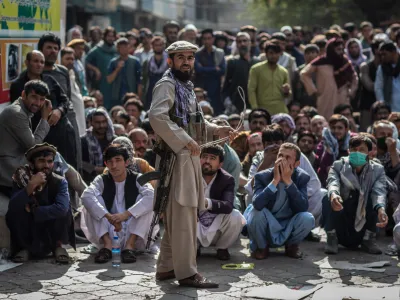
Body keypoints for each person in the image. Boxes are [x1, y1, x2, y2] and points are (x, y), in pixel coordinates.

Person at [149, 41, 235, 288]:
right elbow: (156, 117)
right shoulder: (166, 85)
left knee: (179, 216)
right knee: (184, 216)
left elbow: (195, 124)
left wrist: (216, 128)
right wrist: (186, 141)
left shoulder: (185, 87)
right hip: (176, 159)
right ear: (170, 61)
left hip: (188, 158)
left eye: (190, 57)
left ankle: (166, 268)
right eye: (181, 58)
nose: (187, 62)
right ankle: (187, 273)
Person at [80, 144, 156, 263]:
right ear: (106, 164)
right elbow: (86, 196)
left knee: (147, 202)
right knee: (90, 201)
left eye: (118, 160)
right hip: (109, 228)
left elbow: (152, 197)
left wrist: (125, 215)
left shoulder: (137, 178)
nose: (114, 166)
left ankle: (129, 247)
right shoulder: (101, 179)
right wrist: (109, 217)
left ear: (126, 162)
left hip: (133, 228)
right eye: (110, 162)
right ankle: (107, 245)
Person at [6, 143, 75, 263]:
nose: (46, 165)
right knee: (16, 211)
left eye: (50, 161)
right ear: (32, 164)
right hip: (30, 228)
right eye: (41, 161)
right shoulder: (22, 179)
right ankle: (25, 248)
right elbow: (13, 207)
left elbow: (61, 209)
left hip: (50, 226)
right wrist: (30, 187)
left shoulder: (60, 182)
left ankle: (58, 246)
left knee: (66, 207)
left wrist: (34, 211)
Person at [244, 143, 314, 259]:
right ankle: (262, 247)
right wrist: (275, 181)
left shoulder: (302, 177)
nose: (282, 160)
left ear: (297, 164)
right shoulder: (262, 176)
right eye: (280, 156)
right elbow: (257, 203)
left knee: (307, 218)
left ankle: (292, 246)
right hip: (267, 221)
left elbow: (302, 207)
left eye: (288, 158)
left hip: (288, 222)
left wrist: (288, 182)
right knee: (255, 213)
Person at [9, 50, 77, 168]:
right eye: (36, 61)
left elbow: (65, 100)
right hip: (36, 136)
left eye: (42, 62)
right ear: (27, 62)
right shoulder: (18, 85)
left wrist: (58, 111)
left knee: (66, 171)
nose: (39, 64)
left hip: (60, 133)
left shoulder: (50, 80)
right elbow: (19, 113)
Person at [323, 135, 388, 254]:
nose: (357, 152)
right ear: (349, 151)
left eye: (362, 149)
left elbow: (379, 191)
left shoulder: (377, 170)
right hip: (342, 217)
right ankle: (332, 238)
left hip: (363, 222)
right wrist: (334, 195)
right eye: (354, 149)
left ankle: (368, 239)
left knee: (375, 200)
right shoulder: (338, 165)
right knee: (327, 197)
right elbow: (333, 181)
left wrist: (381, 209)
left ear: (369, 152)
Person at [0, 81, 52, 197]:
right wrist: (44, 118)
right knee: (54, 163)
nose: (38, 103)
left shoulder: (23, 110)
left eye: (42, 99)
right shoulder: (16, 113)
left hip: (17, 162)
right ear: (23, 95)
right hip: (8, 170)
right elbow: (34, 147)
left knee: (56, 160)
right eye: (34, 97)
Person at [38, 33, 81, 171]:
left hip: (64, 125)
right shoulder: (36, 73)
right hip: (44, 128)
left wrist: (60, 111)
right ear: (41, 50)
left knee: (69, 167)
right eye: (49, 47)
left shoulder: (63, 71)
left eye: (56, 48)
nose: (53, 51)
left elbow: (66, 100)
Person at [197, 145, 245, 260]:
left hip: (216, 223)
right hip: (195, 222)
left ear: (220, 165)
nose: (207, 161)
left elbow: (228, 205)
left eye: (212, 158)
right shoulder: (191, 175)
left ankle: (222, 248)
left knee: (236, 216)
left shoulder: (227, 179)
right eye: (204, 157)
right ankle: (194, 247)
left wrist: (207, 203)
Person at [301, 37, 358, 120]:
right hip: (325, 98)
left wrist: (351, 91)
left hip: (342, 96)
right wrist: (313, 91)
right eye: (338, 49)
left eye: (342, 49)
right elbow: (304, 73)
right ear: (331, 49)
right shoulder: (320, 61)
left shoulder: (344, 61)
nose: (341, 52)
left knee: (344, 121)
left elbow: (354, 77)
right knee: (325, 122)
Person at [248, 42, 291, 115]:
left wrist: (286, 92)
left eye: (276, 53)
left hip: (280, 111)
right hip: (262, 111)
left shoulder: (283, 71)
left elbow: (288, 94)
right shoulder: (256, 69)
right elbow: (251, 90)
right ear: (266, 54)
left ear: (280, 54)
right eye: (271, 53)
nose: (274, 56)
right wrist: (255, 109)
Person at [222, 32, 260, 112]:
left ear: (250, 42)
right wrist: (228, 102)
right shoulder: (232, 62)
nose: (242, 44)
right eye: (239, 42)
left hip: (256, 104)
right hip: (237, 106)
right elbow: (225, 86)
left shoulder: (257, 62)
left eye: (244, 41)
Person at [372, 120, 400, 221]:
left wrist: (392, 151)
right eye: (382, 134)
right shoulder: (368, 151)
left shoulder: (395, 152)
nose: (386, 137)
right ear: (374, 135)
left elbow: (396, 174)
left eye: (389, 134)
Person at [195, 29, 226, 115]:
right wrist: (214, 69)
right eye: (204, 38)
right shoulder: (197, 53)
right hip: (202, 87)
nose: (207, 41)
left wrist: (205, 68)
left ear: (213, 39)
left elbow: (223, 70)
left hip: (216, 88)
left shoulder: (219, 53)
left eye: (209, 38)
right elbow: (198, 70)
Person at [316, 114, 353, 188]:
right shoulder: (324, 143)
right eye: (333, 128)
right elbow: (321, 167)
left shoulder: (353, 141)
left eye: (340, 128)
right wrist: (328, 151)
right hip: (329, 183)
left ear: (346, 129)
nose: (336, 131)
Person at [81, 108, 116, 184]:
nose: (101, 125)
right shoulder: (83, 141)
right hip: (89, 181)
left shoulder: (114, 140)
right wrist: (95, 168)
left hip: (112, 180)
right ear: (91, 122)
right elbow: (79, 161)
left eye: (104, 122)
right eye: (97, 122)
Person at [86, 26, 118, 109]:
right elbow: (86, 61)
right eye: (109, 36)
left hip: (115, 83)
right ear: (104, 37)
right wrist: (95, 70)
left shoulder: (117, 49)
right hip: (102, 82)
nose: (111, 38)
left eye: (112, 36)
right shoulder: (98, 49)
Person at [107, 38, 142, 108]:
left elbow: (139, 82)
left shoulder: (135, 62)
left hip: (131, 96)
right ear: (117, 49)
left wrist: (139, 97)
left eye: (125, 47)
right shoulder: (113, 62)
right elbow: (109, 80)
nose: (123, 49)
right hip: (116, 97)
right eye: (121, 47)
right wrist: (117, 69)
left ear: (129, 47)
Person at [60, 47, 86, 136]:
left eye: (72, 59)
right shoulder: (60, 76)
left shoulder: (71, 73)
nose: (70, 61)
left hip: (79, 118)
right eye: (67, 59)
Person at [142, 36, 169, 110]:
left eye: (160, 45)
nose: (158, 47)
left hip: (165, 91)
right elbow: (144, 80)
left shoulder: (169, 61)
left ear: (164, 46)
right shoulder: (147, 62)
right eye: (156, 45)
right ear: (152, 46)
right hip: (151, 92)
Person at [374, 41, 400, 113]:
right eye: (381, 55)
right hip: (391, 107)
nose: (382, 57)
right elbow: (378, 87)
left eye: (385, 54)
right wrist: (382, 104)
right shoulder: (382, 68)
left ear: (393, 52)